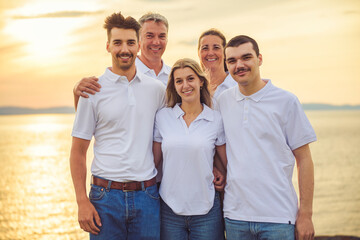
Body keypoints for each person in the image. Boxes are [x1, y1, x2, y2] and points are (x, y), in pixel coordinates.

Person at [72, 15, 226, 190]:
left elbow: (188, 124)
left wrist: (206, 162)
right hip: (127, 183)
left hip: (162, 182)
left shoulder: (175, 77)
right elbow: (91, 126)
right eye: (150, 36)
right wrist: (77, 92)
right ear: (140, 42)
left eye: (161, 36)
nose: (156, 42)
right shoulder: (110, 81)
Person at [69, 12, 165, 239]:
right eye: (118, 43)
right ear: (108, 46)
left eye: (131, 42)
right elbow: (78, 152)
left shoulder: (157, 90)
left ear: (139, 45)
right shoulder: (92, 91)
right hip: (105, 198)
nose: (125, 49)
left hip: (147, 196)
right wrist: (82, 201)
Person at [217, 35, 316, 240]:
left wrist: (305, 215)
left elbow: (304, 159)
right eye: (232, 61)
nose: (239, 65)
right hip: (235, 216)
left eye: (246, 57)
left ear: (259, 58)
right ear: (226, 66)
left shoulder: (286, 101)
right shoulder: (222, 101)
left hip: (278, 217)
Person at [153, 58, 227, 240]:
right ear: (174, 86)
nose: (185, 85)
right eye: (179, 81)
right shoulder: (163, 117)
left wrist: (219, 173)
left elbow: (224, 163)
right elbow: (153, 163)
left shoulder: (216, 119)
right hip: (169, 209)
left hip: (207, 210)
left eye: (190, 78)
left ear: (201, 81)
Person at [197, 28, 237, 99]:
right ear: (198, 53)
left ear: (225, 53)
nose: (210, 53)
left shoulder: (238, 85)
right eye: (205, 48)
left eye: (216, 47)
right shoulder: (193, 87)